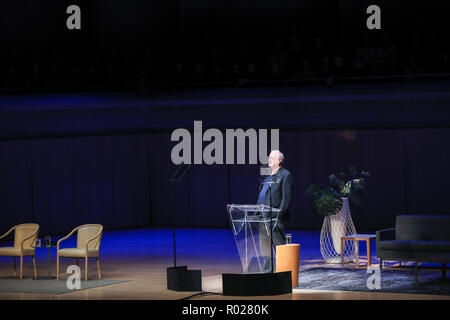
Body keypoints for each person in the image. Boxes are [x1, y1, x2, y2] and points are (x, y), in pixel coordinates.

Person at [257, 150, 293, 272]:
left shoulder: (285, 175)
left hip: (275, 217)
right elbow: (262, 193)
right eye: (269, 158)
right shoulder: (267, 174)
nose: (269, 160)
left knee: (279, 246)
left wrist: (279, 214)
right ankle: (267, 273)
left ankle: (284, 272)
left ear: (279, 160)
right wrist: (258, 211)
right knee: (265, 247)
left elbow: (286, 198)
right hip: (263, 216)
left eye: (272, 158)